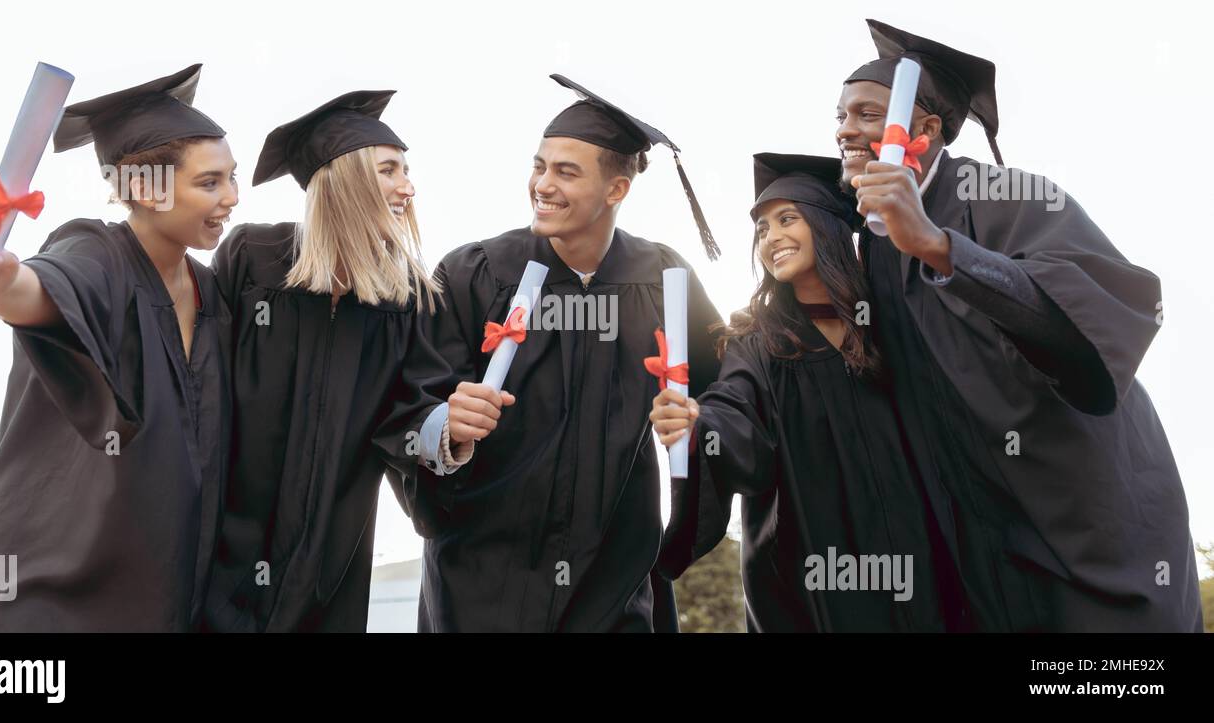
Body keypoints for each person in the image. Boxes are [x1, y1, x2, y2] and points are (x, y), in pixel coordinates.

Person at [839, 19, 1200, 631]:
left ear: (923, 132)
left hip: (1089, 530)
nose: (846, 130)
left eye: (869, 114)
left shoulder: (1012, 198)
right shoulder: (872, 245)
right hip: (983, 545)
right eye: (841, 116)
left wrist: (940, 247)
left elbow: (1090, 334)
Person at [397, 74, 723, 632]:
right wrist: (447, 428)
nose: (542, 185)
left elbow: (724, 396)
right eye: (539, 166)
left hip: (613, 577)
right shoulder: (477, 272)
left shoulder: (661, 281)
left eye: (565, 172)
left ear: (616, 190)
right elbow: (411, 400)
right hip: (483, 577)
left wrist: (697, 423)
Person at [0, 64, 238, 631]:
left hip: (152, 600)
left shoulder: (211, 293)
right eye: (210, 183)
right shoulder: (96, 253)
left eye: (231, 178)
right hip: (41, 599)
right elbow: (42, 288)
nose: (232, 198)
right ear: (145, 187)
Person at [203, 90, 504, 632]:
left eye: (407, 172)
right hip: (221, 547)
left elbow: (411, 409)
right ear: (343, 178)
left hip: (331, 558)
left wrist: (448, 428)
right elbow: (196, 381)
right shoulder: (252, 258)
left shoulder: (405, 296)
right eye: (389, 170)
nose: (407, 188)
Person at [652, 154, 958, 632]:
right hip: (809, 577)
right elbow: (734, 409)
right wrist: (699, 424)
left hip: (919, 566)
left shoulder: (893, 328)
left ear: (828, 224)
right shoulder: (758, 346)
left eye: (786, 219)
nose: (771, 237)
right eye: (761, 229)